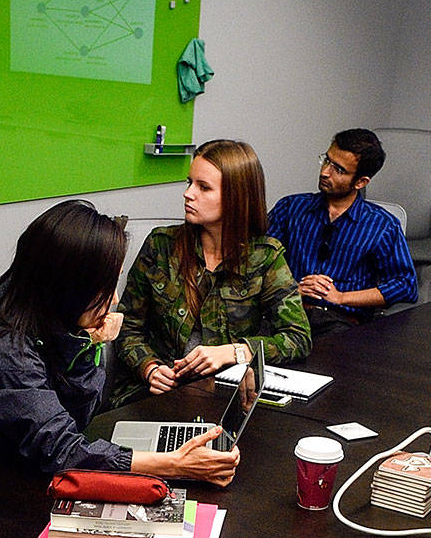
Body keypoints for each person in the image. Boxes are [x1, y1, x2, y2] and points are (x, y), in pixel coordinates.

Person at [0, 199, 239, 483]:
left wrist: (86, 343)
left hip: (19, 475)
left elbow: (75, 420)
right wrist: (174, 465)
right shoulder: (7, 350)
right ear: (68, 286)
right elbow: (63, 449)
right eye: (104, 288)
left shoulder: (57, 323)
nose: (113, 300)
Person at [115, 138, 311, 407]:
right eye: (189, 183)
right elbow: (126, 325)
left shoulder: (264, 256)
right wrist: (148, 367)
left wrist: (234, 352)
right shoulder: (161, 245)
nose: (188, 194)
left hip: (224, 395)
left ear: (236, 198)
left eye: (204, 187)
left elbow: (297, 337)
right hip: (155, 392)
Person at [266, 128, 418, 340]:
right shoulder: (291, 207)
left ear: (361, 182)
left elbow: (405, 286)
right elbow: (257, 262)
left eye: (339, 169)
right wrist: (290, 289)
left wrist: (341, 297)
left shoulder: (382, 226)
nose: (325, 172)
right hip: (285, 314)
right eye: (326, 161)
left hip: (339, 322)